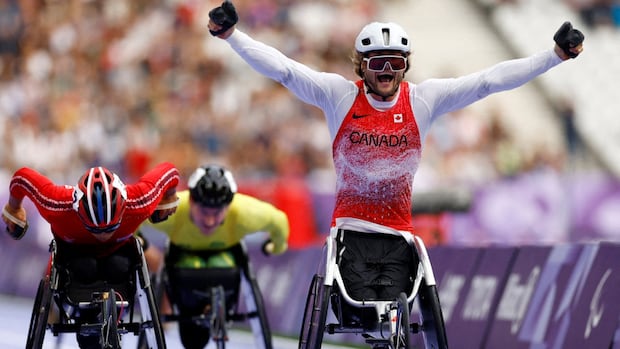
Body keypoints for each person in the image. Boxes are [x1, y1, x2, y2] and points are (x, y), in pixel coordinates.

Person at [207, 0, 584, 325]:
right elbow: (285, 70)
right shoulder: (338, 96)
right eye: (377, 62)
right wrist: (232, 36)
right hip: (348, 235)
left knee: (394, 308)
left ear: (404, 65)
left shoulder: (424, 99)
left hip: (399, 237)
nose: (386, 70)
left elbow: (488, 81)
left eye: (394, 61)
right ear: (361, 65)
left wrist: (553, 56)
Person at [2, 162, 180, 349]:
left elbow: (170, 171)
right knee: (84, 267)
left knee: (118, 265)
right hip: (76, 260)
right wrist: (13, 208)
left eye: (110, 227)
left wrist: (170, 196)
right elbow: (21, 177)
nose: (102, 236)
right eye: (93, 228)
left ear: (122, 206)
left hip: (119, 258)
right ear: (77, 208)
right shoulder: (57, 203)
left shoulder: (139, 200)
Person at [142, 163, 290, 349]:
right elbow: (135, 217)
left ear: (229, 206)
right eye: (204, 212)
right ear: (192, 202)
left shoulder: (244, 212)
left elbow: (279, 222)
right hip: (183, 263)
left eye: (218, 213)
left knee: (222, 266)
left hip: (225, 259)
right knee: (192, 340)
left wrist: (277, 246)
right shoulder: (174, 209)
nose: (210, 221)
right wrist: (141, 244)